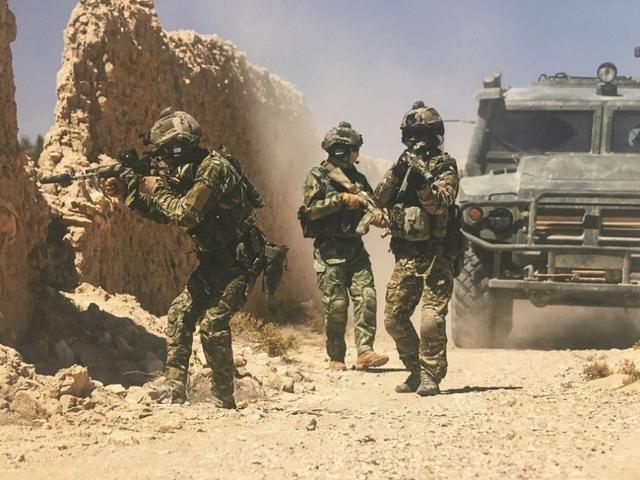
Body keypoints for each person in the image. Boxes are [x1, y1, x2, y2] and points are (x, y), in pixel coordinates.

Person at [104, 108, 266, 408]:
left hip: (240, 262)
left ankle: (223, 399)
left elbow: (186, 214)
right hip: (214, 261)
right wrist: (130, 194)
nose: (165, 159)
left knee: (212, 325)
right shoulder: (186, 173)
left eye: (169, 151)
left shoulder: (213, 168)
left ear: (182, 146)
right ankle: (174, 387)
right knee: (180, 314)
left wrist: (158, 188)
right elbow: (164, 214)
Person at [374, 101, 460, 396]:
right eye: (410, 136)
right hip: (407, 256)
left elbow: (440, 203)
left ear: (434, 136)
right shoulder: (401, 166)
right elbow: (379, 198)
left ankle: (430, 375)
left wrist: (421, 180)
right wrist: (399, 171)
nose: (415, 141)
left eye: (421, 135)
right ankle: (414, 369)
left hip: (437, 255)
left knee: (430, 321)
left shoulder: (445, 166)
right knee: (393, 319)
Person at [299, 121, 389, 371]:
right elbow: (311, 211)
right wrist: (340, 199)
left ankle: (365, 352)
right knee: (337, 306)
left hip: (355, 247)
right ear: (343, 151)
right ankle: (336, 356)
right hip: (330, 249)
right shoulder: (317, 176)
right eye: (354, 150)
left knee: (366, 296)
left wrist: (377, 217)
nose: (356, 154)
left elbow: (371, 206)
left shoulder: (358, 179)